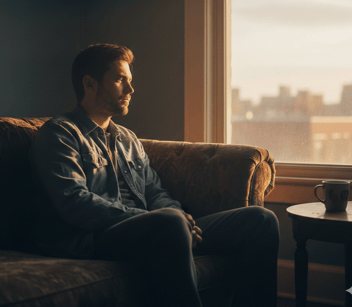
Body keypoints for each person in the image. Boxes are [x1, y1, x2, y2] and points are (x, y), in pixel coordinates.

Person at [30, 43, 279, 307]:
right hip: (93, 238)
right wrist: (159, 218)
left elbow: (154, 192)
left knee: (260, 220)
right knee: (169, 222)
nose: (130, 90)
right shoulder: (60, 134)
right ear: (90, 84)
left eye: (130, 81)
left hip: (158, 228)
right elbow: (75, 203)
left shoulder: (127, 138)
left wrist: (182, 218)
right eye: (119, 80)